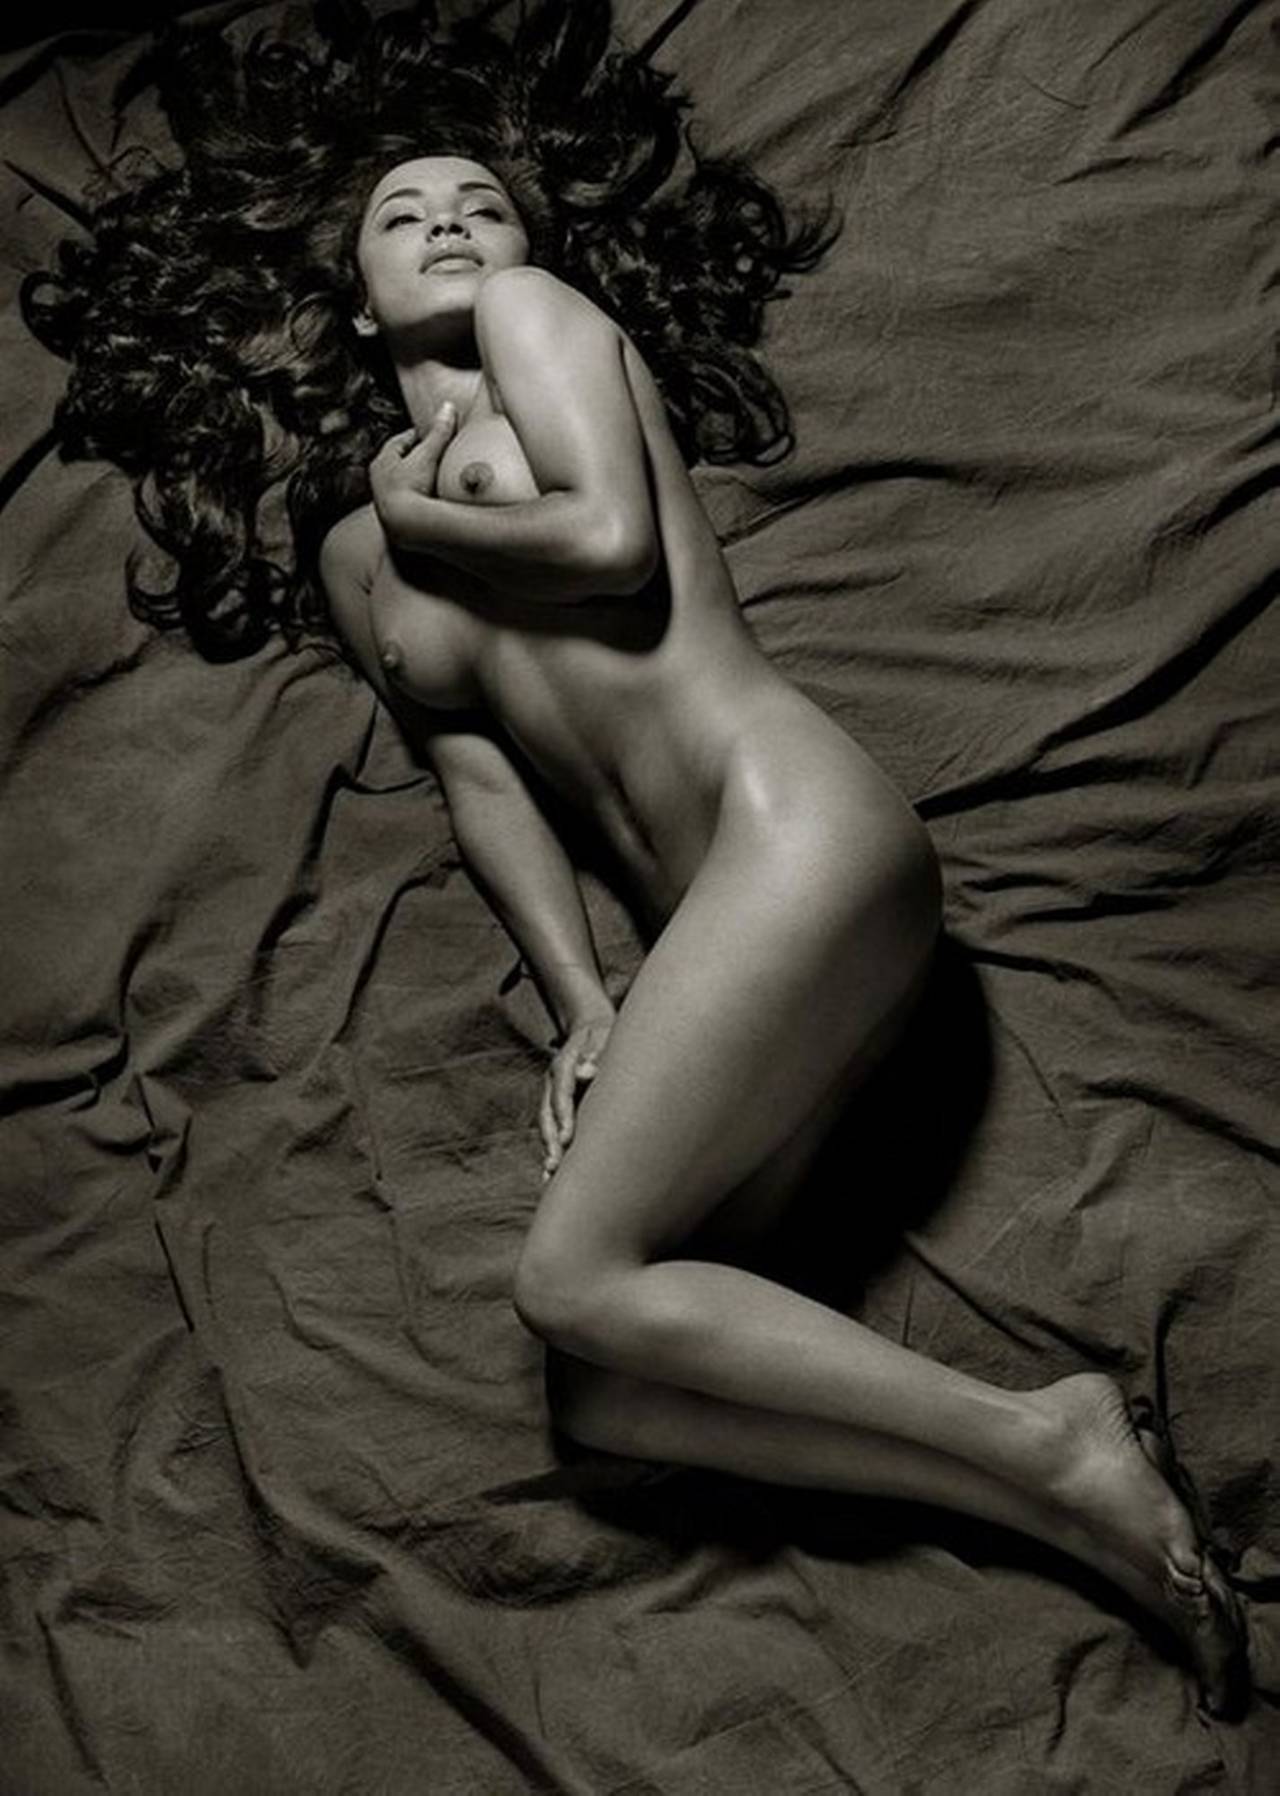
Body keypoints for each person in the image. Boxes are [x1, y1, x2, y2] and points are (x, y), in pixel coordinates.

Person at [24, 0, 1248, 1718]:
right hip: (725, 935)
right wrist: (588, 998)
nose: (453, 224)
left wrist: (427, 505)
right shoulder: (356, 552)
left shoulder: (538, 327)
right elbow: (480, 780)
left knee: (567, 1279)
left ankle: (1051, 1436)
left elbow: (605, 549)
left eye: (484, 202)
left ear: (532, 248)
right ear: (354, 299)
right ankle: (1052, 1510)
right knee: (612, 1393)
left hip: (793, 824)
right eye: (404, 214)